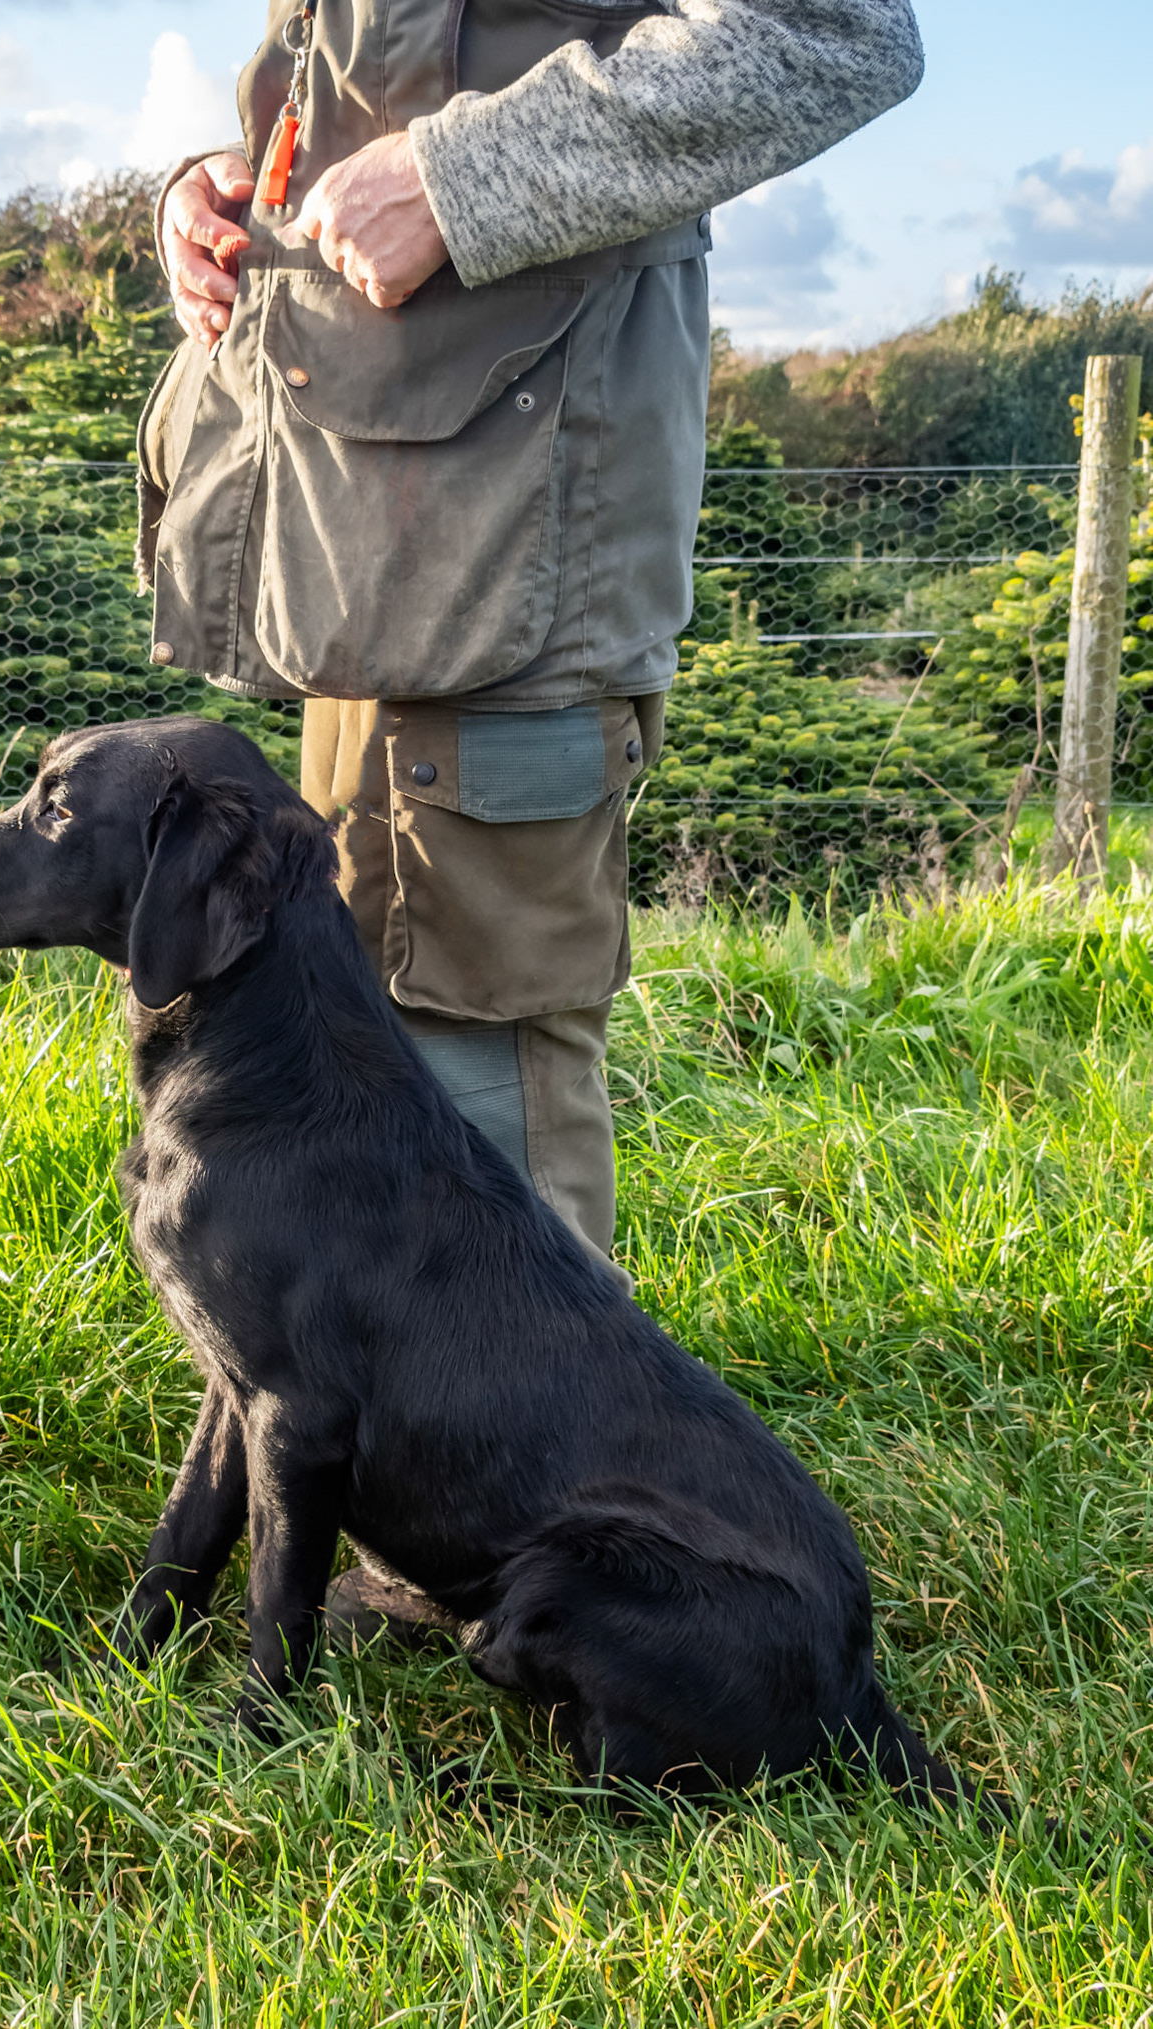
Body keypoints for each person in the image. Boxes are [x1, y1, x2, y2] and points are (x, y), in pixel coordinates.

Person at [136, 0, 924, 1279]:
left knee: (483, 1077)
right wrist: (215, 194)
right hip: (364, 553)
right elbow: (354, 83)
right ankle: (404, 1450)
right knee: (366, 1030)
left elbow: (837, 35)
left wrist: (457, 180)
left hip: (518, 556)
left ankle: (549, 1473)